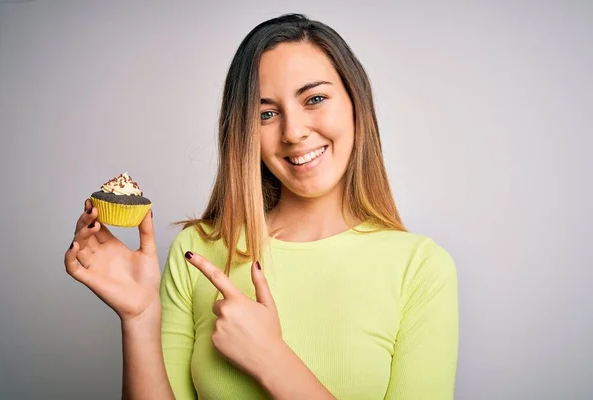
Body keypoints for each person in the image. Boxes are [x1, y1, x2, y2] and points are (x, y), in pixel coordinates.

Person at [64, 13, 458, 400]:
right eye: (266, 114)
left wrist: (272, 360)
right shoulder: (198, 251)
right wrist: (140, 318)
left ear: (356, 103)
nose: (293, 132)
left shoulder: (421, 268)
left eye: (315, 99)